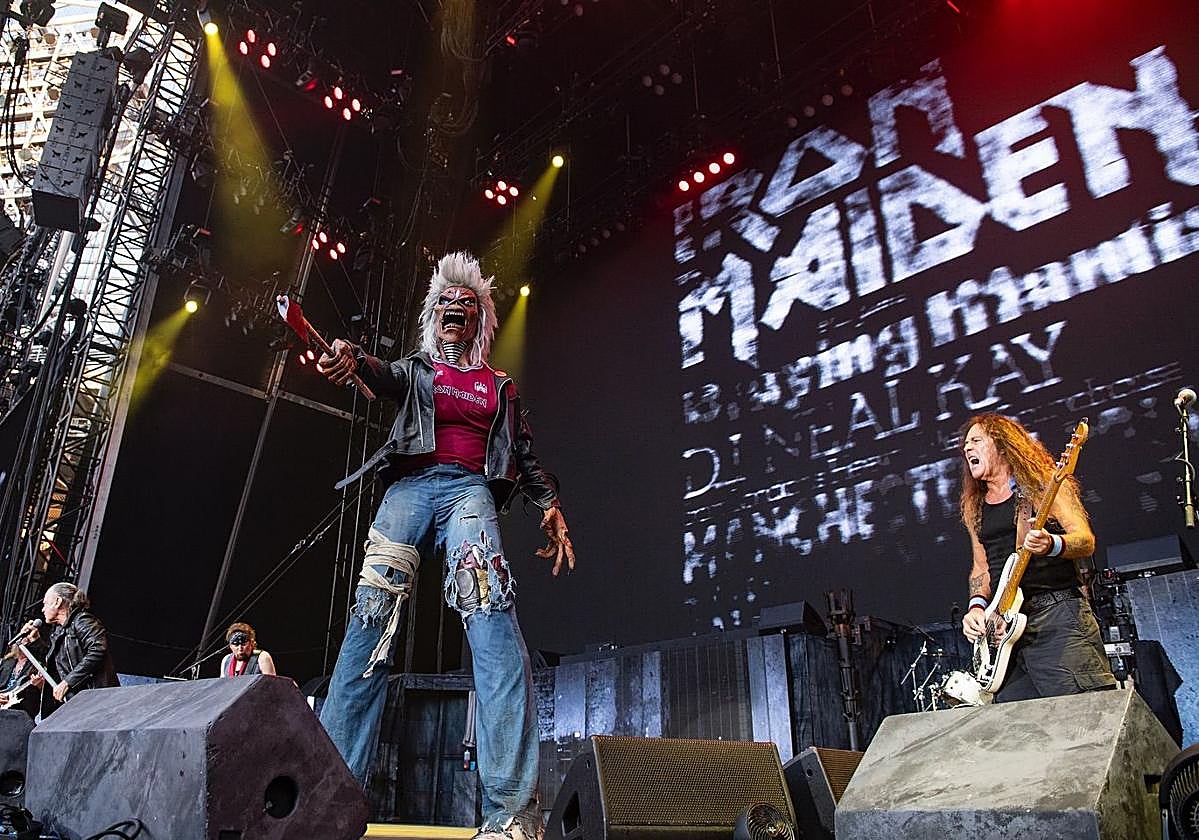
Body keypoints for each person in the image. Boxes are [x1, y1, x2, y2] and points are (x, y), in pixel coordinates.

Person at [316, 252, 575, 840]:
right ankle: (327, 804)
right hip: (410, 489)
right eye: (444, 304)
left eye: (466, 304)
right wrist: (353, 357)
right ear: (433, 317)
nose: (453, 310)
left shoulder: (498, 387)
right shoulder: (417, 371)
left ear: (480, 318)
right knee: (368, 629)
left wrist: (549, 505)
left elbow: (525, 455)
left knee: (493, 629)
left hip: (469, 495)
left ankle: (510, 816)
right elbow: (380, 374)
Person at [958, 413, 1116, 701]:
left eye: (976, 441)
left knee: (1082, 715)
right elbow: (980, 567)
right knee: (1022, 731)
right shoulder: (975, 507)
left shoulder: (1046, 485)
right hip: (1005, 633)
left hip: (1057, 617)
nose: (968, 448)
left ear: (1003, 445)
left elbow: (1084, 540)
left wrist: (1052, 544)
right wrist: (976, 608)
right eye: (965, 444)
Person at [20, 582, 118, 711]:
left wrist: (68, 682)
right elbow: (54, 663)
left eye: (45, 603)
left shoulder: (83, 620)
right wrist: (35, 642)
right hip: (74, 702)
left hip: (94, 699)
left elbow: (97, 650)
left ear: (57, 601)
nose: (43, 609)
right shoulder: (59, 631)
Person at [0, 642, 40, 716]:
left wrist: (39, 685)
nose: (25, 640)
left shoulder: (36, 662)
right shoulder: (7, 661)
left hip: (22, 708)